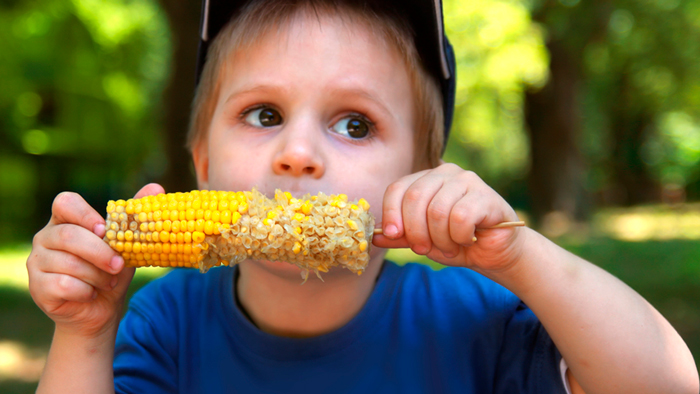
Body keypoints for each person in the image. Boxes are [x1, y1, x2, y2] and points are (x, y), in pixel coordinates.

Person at [27, 0, 698, 393]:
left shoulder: (472, 322)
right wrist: (84, 334)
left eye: (355, 124)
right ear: (201, 163)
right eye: (263, 114)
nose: (298, 153)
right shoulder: (163, 324)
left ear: (418, 180)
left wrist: (521, 256)